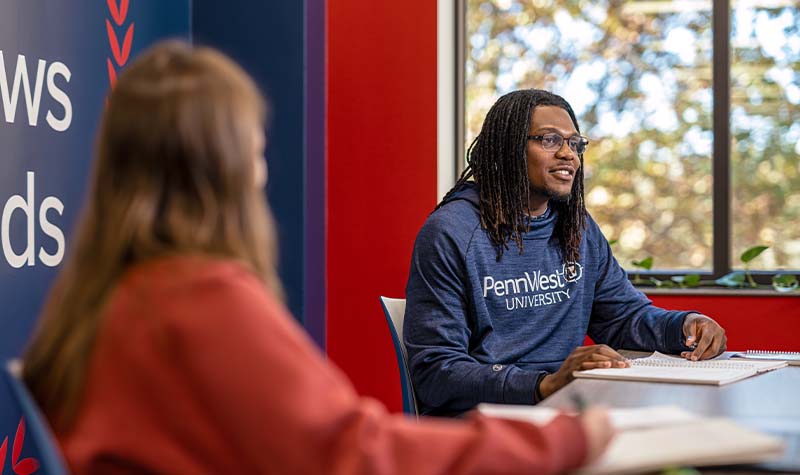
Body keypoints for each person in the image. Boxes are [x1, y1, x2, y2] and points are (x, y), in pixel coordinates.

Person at [21, 43, 613, 474]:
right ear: (226, 166)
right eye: (255, 147)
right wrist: (562, 442)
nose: (262, 168)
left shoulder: (101, 299)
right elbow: (351, 450)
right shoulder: (204, 298)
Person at [404, 89, 727, 417]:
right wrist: (544, 384)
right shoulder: (452, 233)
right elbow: (437, 371)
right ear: (507, 148)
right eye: (549, 140)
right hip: (486, 420)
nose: (568, 154)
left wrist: (685, 325)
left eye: (574, 143)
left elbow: (623, 317)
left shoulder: (577, 229)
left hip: (564, 407)